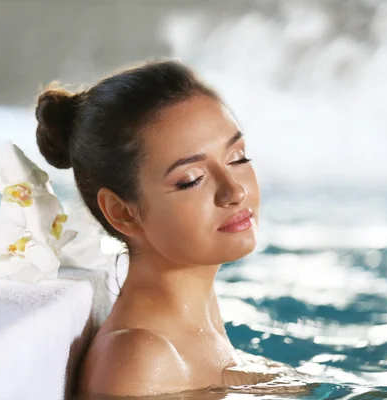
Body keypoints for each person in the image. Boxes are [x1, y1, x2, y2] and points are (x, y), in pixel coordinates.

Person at [35, 60, 271, 397]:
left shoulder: (192, 322)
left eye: (238, 157)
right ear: (123, 213)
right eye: (191, 180)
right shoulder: (141, 360)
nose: (235, 191)